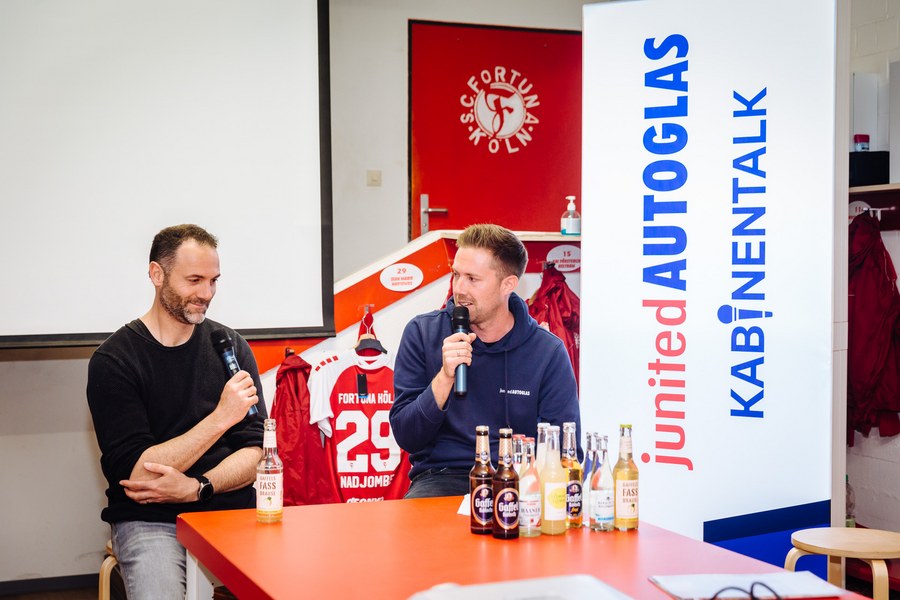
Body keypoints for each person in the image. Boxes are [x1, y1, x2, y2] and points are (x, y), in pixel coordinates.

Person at [87, 224, 265, 598]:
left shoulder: (229, 345)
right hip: (152, 520)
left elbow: (256, 452)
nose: (206, 294)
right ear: (157, 274)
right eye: (194, 280)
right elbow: (138, 473)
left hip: (229, 509)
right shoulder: (114, 361)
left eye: (213, 281)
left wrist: (198, 488)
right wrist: (221, 417)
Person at [390, 224, 581, 498]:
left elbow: (565, 449)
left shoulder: (547, 351)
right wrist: (444, 378)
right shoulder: (422, 333)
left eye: (472, 279)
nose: (459, 288)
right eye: (456, 275)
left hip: (520, 481)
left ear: (508, 285)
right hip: (443, 478)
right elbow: (407, 436)